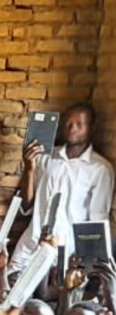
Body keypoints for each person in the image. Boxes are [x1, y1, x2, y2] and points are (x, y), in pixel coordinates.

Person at [9, 103, 115, 272]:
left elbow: (97, 222)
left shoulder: (99, 169)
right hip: (31, 244)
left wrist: (88, 267)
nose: (72, 128)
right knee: (8, 292)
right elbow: (26, 206)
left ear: (91, 127)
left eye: (79, 124)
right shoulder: (45, 158)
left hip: (68, 252)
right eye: (68, 123)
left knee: (53, 297)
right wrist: (29, 168)